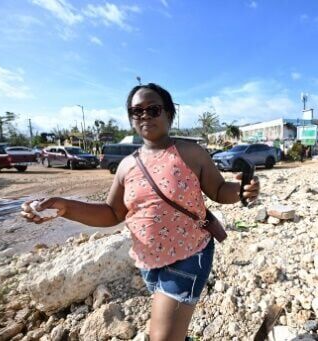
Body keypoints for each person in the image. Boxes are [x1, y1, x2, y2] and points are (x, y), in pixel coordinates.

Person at [21, 83, 260, 341]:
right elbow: (112, 213)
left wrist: (241, 190)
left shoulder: (191, 153)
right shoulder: (126, 166)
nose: (144, 115)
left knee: (162, 337)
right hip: (148, 263)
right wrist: (65, 206)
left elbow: (219, 189)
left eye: (153, 109)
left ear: (169, 114)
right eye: (136, 111)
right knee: (171, 328)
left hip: (189, 255)